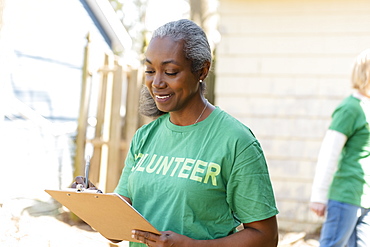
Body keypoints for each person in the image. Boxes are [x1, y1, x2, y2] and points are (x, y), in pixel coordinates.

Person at [74, 19, 279, 247]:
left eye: (170, 72)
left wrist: (191, 246)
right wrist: (94, 203)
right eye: (150, 71)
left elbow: (266, 237)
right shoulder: (145, 137)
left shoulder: (236, 141)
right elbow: (119, 231)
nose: (157, 83)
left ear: (202, 70)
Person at [309, 49, 370, 247]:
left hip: (366, 197)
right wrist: (319, 196)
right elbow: (329, 153)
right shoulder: (350, 108)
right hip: (346, 195)